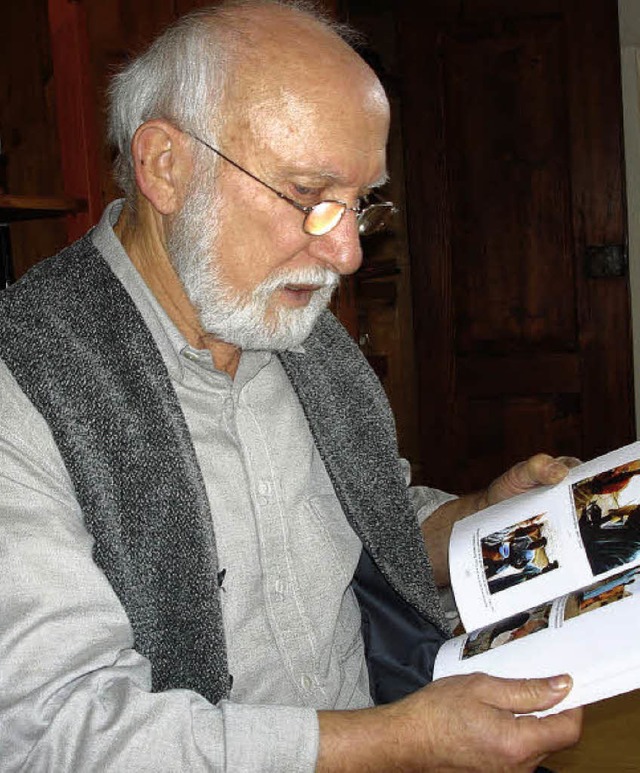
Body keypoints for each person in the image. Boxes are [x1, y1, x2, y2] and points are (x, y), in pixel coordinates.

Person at [0, 1, 582, 770]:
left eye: (361, 202)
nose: (345, 252)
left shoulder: (292, 329)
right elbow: (59, 731)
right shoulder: (27, 378)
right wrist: (403, 742)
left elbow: (367, 518)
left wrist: (479, 516)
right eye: (310, 198)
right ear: (166, 167)